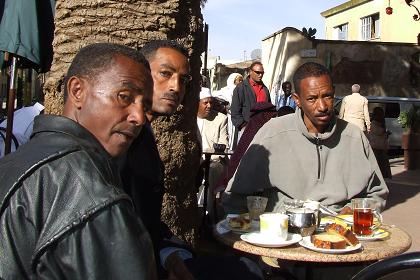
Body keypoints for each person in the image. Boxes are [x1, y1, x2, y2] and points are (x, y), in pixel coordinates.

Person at [0, 43, 157, 279]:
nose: (139, 117)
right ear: (77, 91)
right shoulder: (92, 194)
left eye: (145, 105)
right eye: (125, 97)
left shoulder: (16, 161)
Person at [120, 40, 263, 280]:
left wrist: (172, 255)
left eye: (184, 79)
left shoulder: (145, 135)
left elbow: (145, 223)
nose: (176, 86)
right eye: (165, 74)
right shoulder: (119, 139)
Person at [222, 62, 388, 215]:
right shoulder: (273, 133)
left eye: (327, 96)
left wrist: (351, 211)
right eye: (312, 99)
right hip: (283, 235)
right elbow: (236, 196)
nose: (322, 106)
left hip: (339, 236)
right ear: (297, 100)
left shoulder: (354, 137)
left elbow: (377, 194)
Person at [197, 87, 229, 220]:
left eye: (211, 102)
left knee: (210, 173)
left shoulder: (220, 119)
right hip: (194, 160)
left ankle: (209, 216)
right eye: (205, 103)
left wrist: (206, 161)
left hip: (214, 161)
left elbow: (223, 147)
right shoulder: (188, 119)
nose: (209, 106)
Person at [230, 61, 270, 145]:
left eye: (262, 73)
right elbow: (235, 110)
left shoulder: (264, 89)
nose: (260, 75)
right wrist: (243, 126)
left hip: (263, 130)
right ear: (250, 72)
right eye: (257, 72)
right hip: (246, 130)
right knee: (245, 156)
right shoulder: (240, 88)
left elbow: (269, 108)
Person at [213, 73, 243, 149]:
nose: (241, 82)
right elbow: (214, 96)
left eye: (242, 80)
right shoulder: (226, 91)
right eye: (239, 80)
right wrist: (225, 106)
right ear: (233, 81)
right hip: (227, 118)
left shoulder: (241, 92)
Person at [368, 107, 392, 178]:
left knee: (382, 163)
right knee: (378, 163)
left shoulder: (381, 123)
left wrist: (386, 133)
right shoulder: (374, 123)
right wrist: (385, 133)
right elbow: (378, 132)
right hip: (376, 146)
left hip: (381, 146)